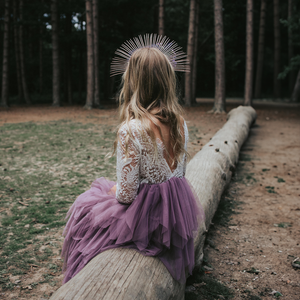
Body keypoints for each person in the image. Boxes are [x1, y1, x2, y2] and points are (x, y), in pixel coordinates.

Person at [61, 34, 204, 285]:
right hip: (175, 211)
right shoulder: (181, 122)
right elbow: (177, 174)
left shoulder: (132, 128)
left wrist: (114, 191)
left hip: (148, 217)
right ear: (167, 80)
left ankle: (83, 284)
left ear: (134, 81)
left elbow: (126, 195)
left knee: (85, 208)